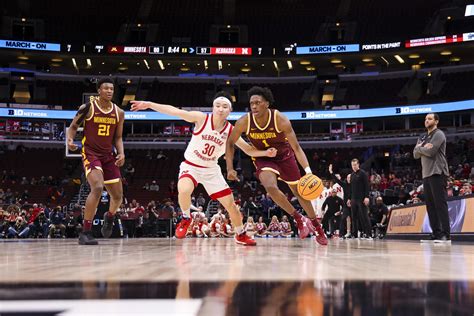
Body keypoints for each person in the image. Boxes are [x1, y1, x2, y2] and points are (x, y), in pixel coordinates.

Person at [131, 91, 276, 246]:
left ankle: (240, 234)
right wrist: (149, 105)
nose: (220, 109)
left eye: (225, 106)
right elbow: (175, 111)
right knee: (184, 189)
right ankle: (186, 218)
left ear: (230, 110)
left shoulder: (231, 131)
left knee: (231, 205)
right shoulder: (201, 118)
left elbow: (248, 149)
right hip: (191, 165)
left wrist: (265, 152)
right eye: (217, 106)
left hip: (211, 170)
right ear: (213, 108)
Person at [225, 86, 328, 246]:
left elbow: (297, 148)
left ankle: (316, 226)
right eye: (251, 103)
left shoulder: (280, 119)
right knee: (270, 186)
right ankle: (298, 218)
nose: (253, 106)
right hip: (264, 157)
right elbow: (230, 142)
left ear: (267, 103)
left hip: (285, 156)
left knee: (300, 192)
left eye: (257, 102)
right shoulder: (244, 121)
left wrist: (308, 172)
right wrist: (229, 167)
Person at [67, 77, 125, 245]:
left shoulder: (119, 112)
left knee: (118, 197)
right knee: (98, 187)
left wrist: (121, 153)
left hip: (108, 156)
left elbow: (119, 137)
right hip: (90, 153)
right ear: (98, 90)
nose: (109, 91)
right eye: (106, 88)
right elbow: (72, 127)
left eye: (111, 89)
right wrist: (70, 140)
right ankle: (85, 232)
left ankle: (110, 216)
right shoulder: (87, 108)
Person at [414, 113, 450, 243]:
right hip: (426, 174)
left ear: (436, 121)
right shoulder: (423, 136)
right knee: (430, 206)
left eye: (429, 119)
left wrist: (420, 148)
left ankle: (446, 235)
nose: (426, 121)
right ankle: (436, 233)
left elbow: (431, 152)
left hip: (438, 172)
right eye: (425, 119)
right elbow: (414, 154)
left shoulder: (439, 134)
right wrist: (422, 148)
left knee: (440, 204)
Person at [349, 158, 372, 239]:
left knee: (364, 216)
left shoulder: (363, 173)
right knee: (354, 217)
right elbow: (351, 188)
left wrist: (366, 197)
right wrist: (349, 198)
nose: (354, 166)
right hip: (353, 199)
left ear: (358, 164)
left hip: (362, 198)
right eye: (352, 165)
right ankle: (354, 234)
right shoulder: (352, 175)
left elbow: (367, 186)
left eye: (355, 165)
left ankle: (369, 234)